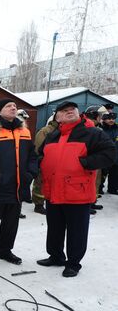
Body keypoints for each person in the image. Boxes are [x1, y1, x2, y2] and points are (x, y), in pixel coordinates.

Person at [37, 101, 115, 277]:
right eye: (64, 110)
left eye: (72, 109)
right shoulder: (53, 135)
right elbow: (41, 154)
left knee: (77, 231)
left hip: (77, 192)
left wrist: (85, 163)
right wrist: (43, 164)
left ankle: (73, 263)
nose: (69, 111)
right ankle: (56, 256)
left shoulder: (92, 133)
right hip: (53, 190)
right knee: (54, 228)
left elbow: (109, 153)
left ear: (79, 113)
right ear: (58, 117)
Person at [0, 98, 37, 267]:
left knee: (11, 224)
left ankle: (5, 251)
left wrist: (30, 173)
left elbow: (33, 156)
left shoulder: (24, 131)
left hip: (18, 187)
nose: (13, 107)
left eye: (14, 106)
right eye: (8, 106)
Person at [32, 113, 59, 215]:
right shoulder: (45, 131)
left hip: (57, 164)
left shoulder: (65, 131)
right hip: (44, 162)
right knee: (40, 183)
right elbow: (38, 147)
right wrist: (40, 160)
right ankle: (38, 205)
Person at [101, 111, 118, 194]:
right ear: (104, 119)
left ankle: (112, 189)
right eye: (108, 119)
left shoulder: (117, 128)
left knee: (114, 174)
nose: (111, 120)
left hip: (116, 155)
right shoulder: (100, 129)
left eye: (113, 118)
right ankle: (99, 188)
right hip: (104, 155)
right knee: (102, 174)